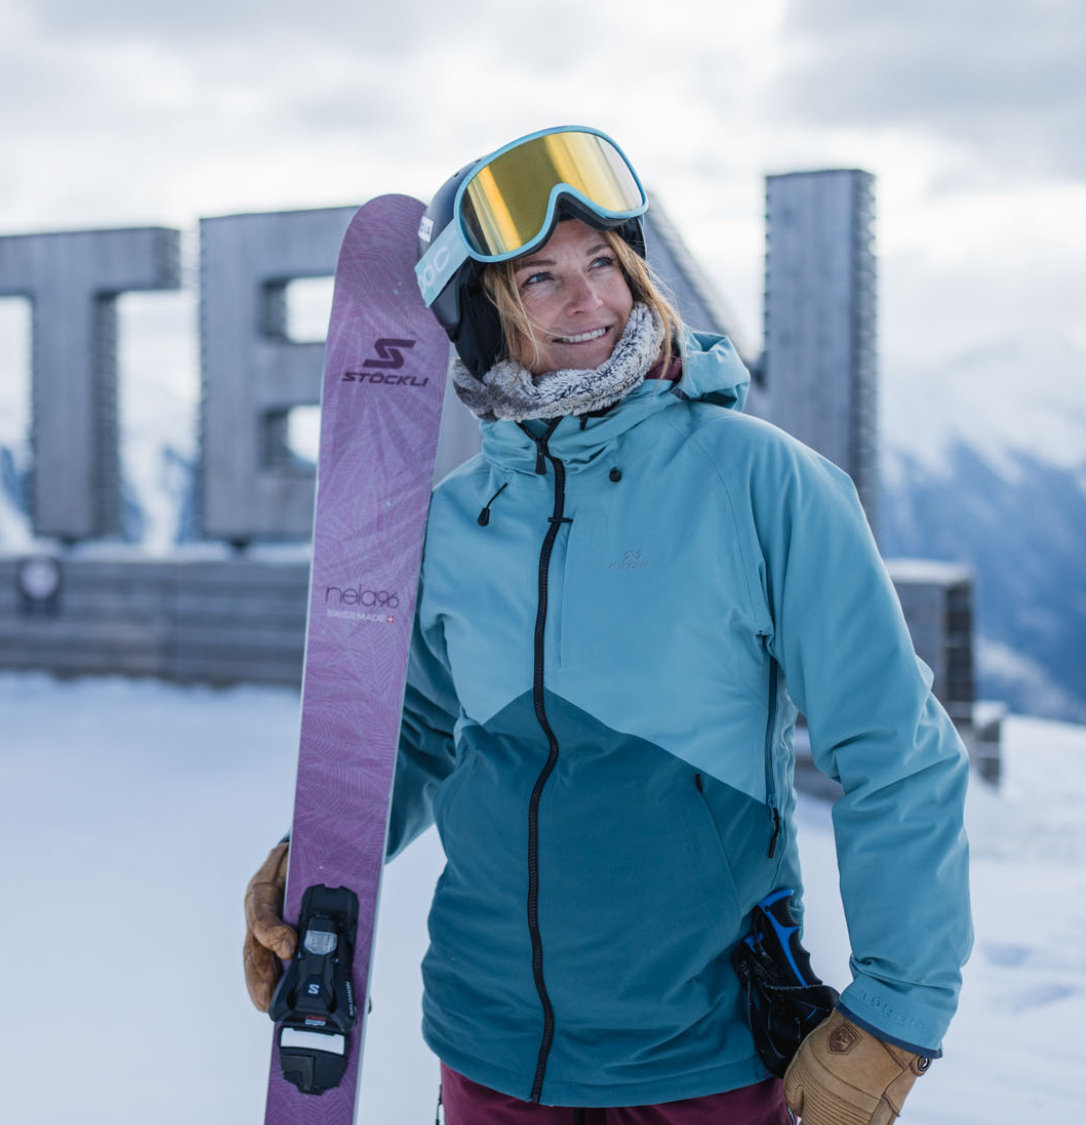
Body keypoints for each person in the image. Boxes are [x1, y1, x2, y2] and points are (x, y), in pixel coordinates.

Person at [243, 126, 972, 1124]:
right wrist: (313, 874)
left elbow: (895, 751)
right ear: (480, 315)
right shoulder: (449, 524)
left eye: (602, 263)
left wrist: (897, 1010)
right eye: (538, 278)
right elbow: (409, 736)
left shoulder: (762, 482)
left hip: (704, 1058)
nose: (587, 299)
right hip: (488, 1049)